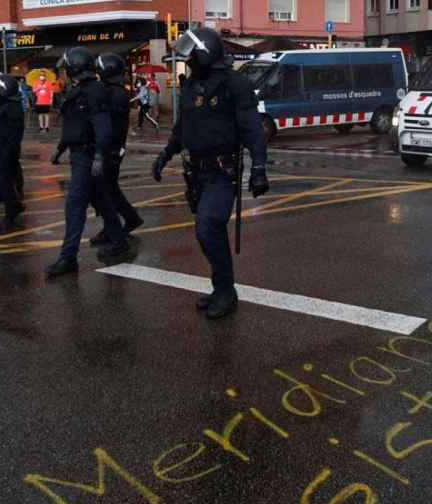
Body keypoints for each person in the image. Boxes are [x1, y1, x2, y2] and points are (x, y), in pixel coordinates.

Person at [152, 28, 269, 319]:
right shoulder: (192, 85)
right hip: (197, 173)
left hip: (222, 171)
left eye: (192, 55)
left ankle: (226, 291)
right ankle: (221, 288)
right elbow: (183, 128)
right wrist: (165, 155)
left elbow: (252, 129)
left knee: (207, 227)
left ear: (205, 53)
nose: (188, 60)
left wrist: (258, 168)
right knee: (209, 232)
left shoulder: (234, 84)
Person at [45, 47, 133, 278]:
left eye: (65, 69)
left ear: (74, 68)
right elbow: (75, 126)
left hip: (88, 156)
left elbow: (102, 129)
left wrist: (99, 158)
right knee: (101, 200)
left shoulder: (94, 92)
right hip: (81, 154)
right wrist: (60, 149)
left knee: (75, 206)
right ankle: (120, 240)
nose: (62, 74)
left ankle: (68, 257)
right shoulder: (81, 90)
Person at [89, 52, 143, 247]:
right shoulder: (115, 90)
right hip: (112, 147)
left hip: (110, 149)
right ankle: (127, 219)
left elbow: (108, 124)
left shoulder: (114, 93)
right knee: (108, 189)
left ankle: (116, 225)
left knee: (103, 190)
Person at [0, 73, 26, 224]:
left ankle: (11, 212)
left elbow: (13, 135)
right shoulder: (1, 105)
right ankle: (14, 205)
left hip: (6, 151)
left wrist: (7, 152)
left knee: (5, 183)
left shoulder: (13, 108)